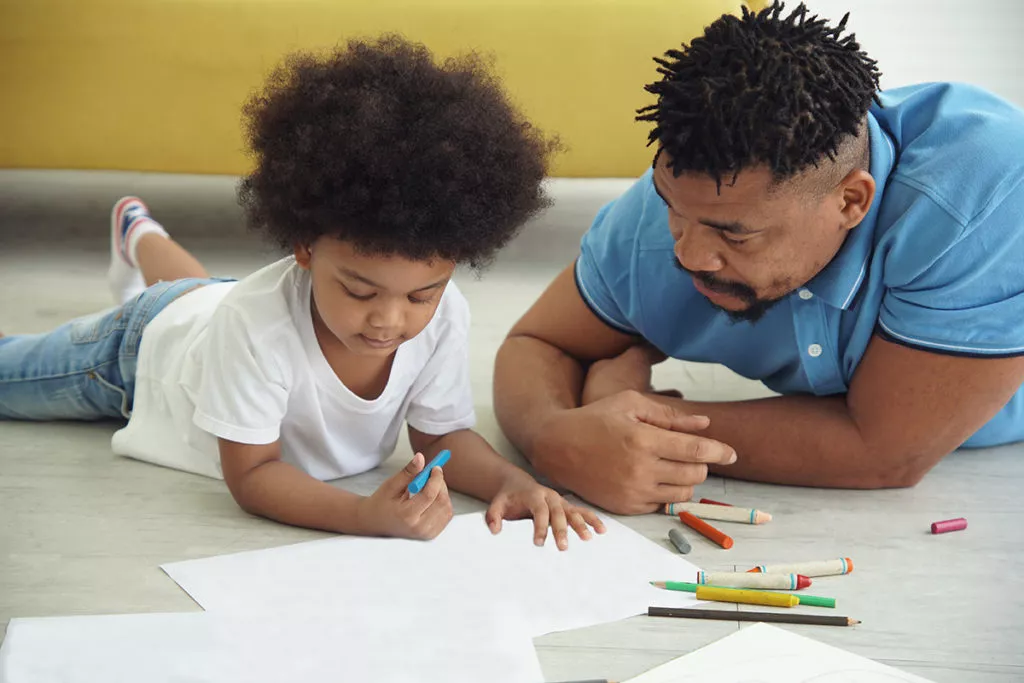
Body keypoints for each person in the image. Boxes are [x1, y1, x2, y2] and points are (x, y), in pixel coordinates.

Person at [0, 36, 604, 548]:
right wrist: (363, 516)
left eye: (421, 295)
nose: (390, 319)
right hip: (139, 353)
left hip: (212, 308)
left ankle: (139, 232)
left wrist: (509, 482)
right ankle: (141, 243)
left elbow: (441, 436)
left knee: (199, 289)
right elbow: (256, 474)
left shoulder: (443, 315)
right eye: (361, 290)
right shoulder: (255, 325)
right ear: (305, 249)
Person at [493, 1, 1024, 515]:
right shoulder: (658, 221)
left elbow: (887, 451)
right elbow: (536, 343)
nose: (690, 253)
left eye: (736, 235)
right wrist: (554, 437)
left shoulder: (981, 199)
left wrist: (646, 420)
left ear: (850, 201)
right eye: (673, 210)